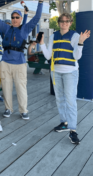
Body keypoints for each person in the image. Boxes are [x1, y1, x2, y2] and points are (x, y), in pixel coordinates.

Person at [0, 0, 46, 120]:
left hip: (20, 63)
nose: (15, 19)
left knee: (21, 88)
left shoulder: (25, 28)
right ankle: (8, 108)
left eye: (17, 17)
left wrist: (41, 0)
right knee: (6, 88)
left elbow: (37, 17)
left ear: (21, 19)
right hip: (5, 63)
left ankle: (23, 110)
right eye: (13, 17)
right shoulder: (6, 28)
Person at [39, 13, 90, 144]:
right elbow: (48, 56)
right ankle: (64, 122)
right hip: (56, 72)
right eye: (62, 21)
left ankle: (73, 130)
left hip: (70, 73)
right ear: (59, 22)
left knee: (71, 101)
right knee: (59, 99)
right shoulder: (53, 36)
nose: (64, 23)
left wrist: (80, 42)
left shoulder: (75, 36)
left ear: (70, 22)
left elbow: (77, 57)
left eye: (67, 21)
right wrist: (42, 44)